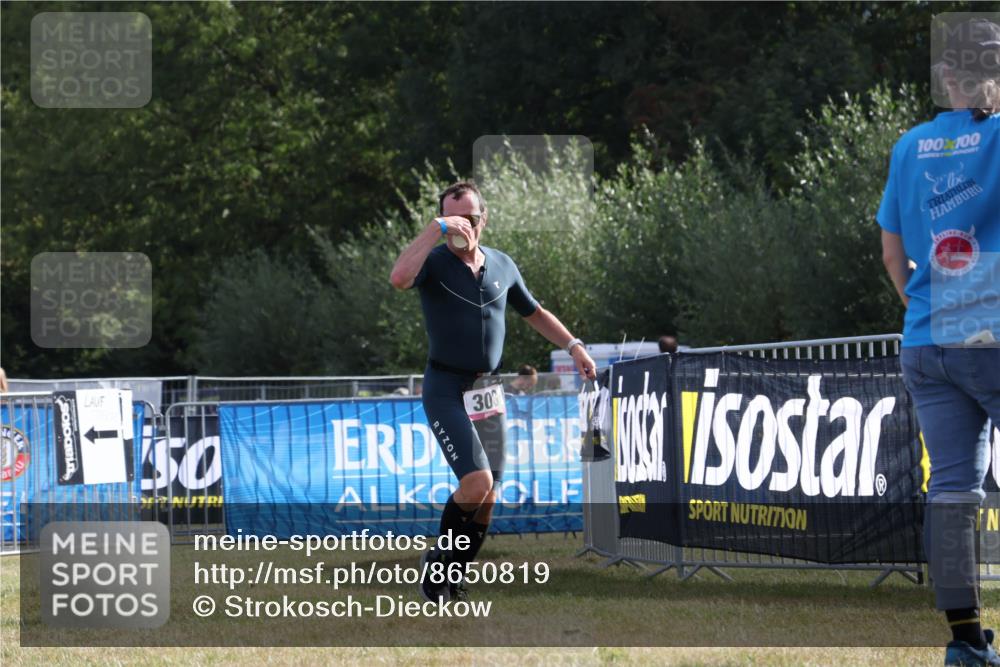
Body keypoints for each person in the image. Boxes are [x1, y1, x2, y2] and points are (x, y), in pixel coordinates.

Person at [390, 180, 596, 602]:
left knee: (487, 496)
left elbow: (534, 312)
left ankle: (455, 575)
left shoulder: (502, 264)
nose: (463, 225)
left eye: (470, 217)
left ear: (485, 219)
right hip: (446, 387)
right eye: (454, 218)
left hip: (488, 390)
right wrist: (434, 229)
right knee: (475, 481)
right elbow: (399, 278)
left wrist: (573, 345)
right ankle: (437, 566)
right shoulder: (433, 261)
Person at [877, 17, 1000, 666]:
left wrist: (918, 304)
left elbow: (893, 251)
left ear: (946, 76)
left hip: (928, 333)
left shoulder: (910, 146)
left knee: (953, 489)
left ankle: (966, 644)